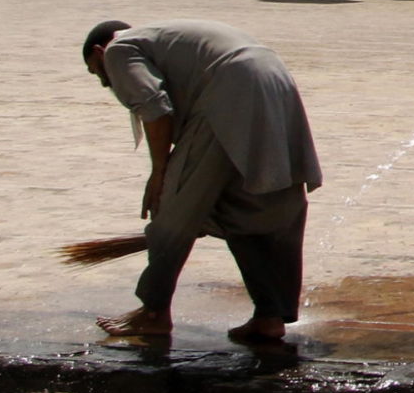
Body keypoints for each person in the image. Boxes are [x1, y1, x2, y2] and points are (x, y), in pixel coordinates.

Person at [81, 19, 323, 346]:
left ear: (99, 51)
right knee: (252, 212)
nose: (103, 82)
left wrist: (160, 172)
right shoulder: (161, 38)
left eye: (96, 72)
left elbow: (155, 108)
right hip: (276, 80)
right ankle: (270, 316)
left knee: (172, 205)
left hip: (230, 88)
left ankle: (153, 313)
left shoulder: (119, 50)